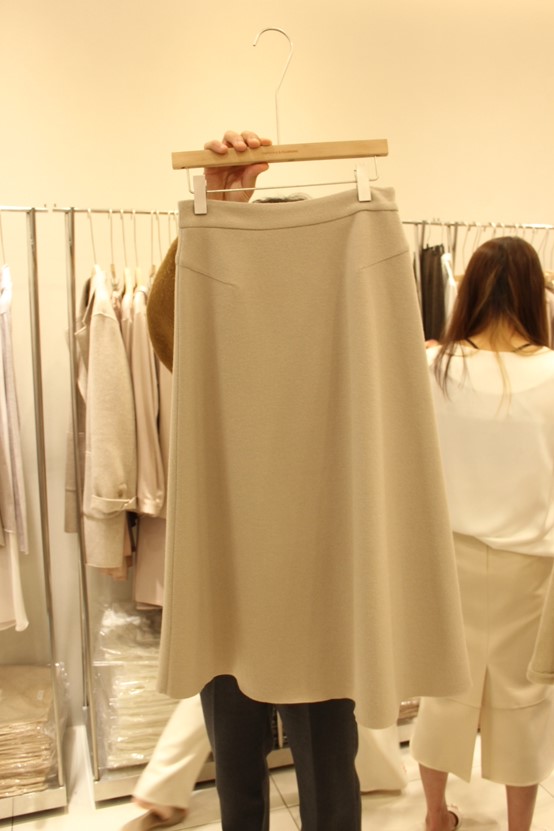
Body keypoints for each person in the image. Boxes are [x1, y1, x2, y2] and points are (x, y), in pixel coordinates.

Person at [146, 130, 470, 831]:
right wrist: (217, 217)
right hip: (233, 557)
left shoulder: (360, 285)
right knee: (240, 770)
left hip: (321, 567)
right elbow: (169, 334)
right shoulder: (208, 301)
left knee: (323, 771)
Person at [410, 235, 554, 831]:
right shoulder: (553, 373)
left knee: (443, 693)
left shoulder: (432, 367)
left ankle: (435, 815)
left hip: (451, 560)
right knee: (525, 702)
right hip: (531, 566)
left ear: (467, 289)